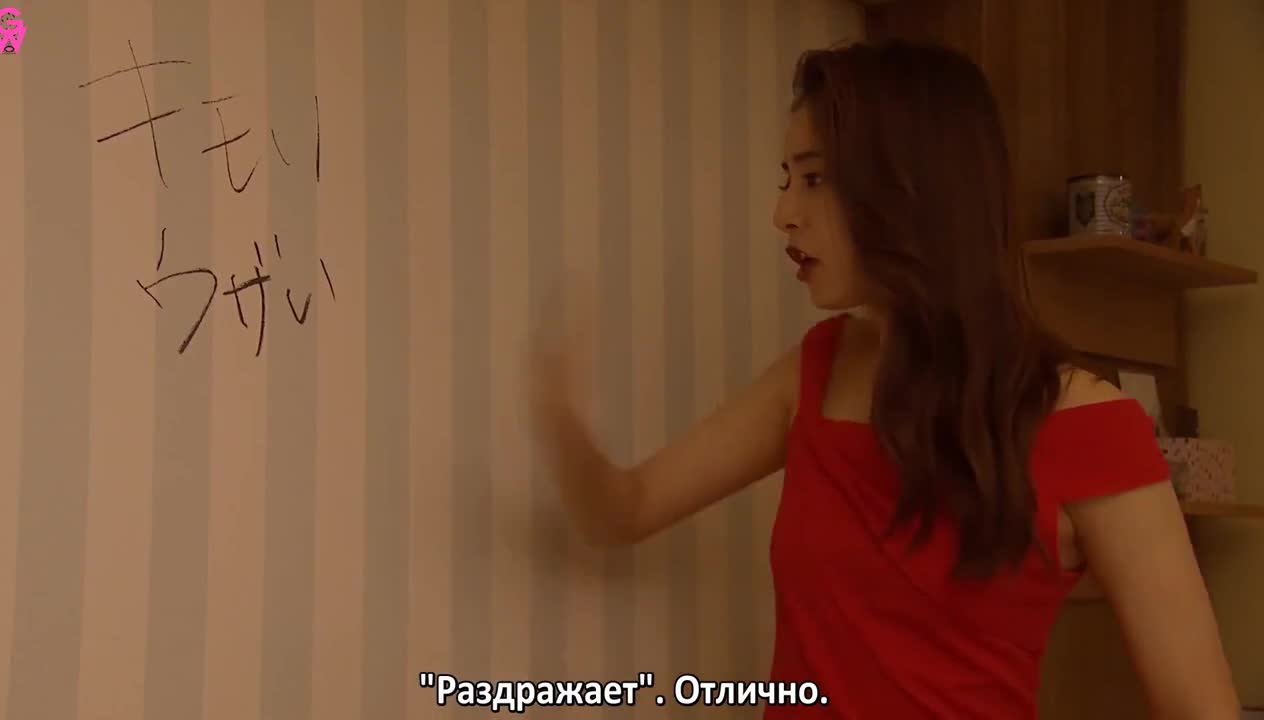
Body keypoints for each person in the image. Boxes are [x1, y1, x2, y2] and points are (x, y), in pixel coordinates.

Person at [529, 40, 1240, 719]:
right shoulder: (814, 371)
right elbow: (622, 510)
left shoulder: (1088, 423)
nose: (783, 214)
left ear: (911, 189)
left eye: (814, 179)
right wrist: (557, 417)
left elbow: (1199, 707)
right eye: (786, 180)